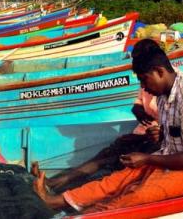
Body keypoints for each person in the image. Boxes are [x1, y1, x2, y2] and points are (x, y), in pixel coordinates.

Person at [33, 39, 183, 213]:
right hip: (170, 158)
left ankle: (90, 214)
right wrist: (161, 134)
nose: (143, 87)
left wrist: (147, 159)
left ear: (159, 71)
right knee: (117, 180)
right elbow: (175, 136)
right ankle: (55, 201)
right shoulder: (163, 93)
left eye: (144, 80)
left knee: (137, 195)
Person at [44, 39, 161, 192]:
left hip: (155, 142)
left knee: (112, 164)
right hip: (140, 133)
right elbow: (139, 101)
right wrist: (137, 109)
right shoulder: (145, 79)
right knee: (105, 155)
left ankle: (65, 191)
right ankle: (56, 182)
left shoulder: (166, 84)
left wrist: (160, 131)